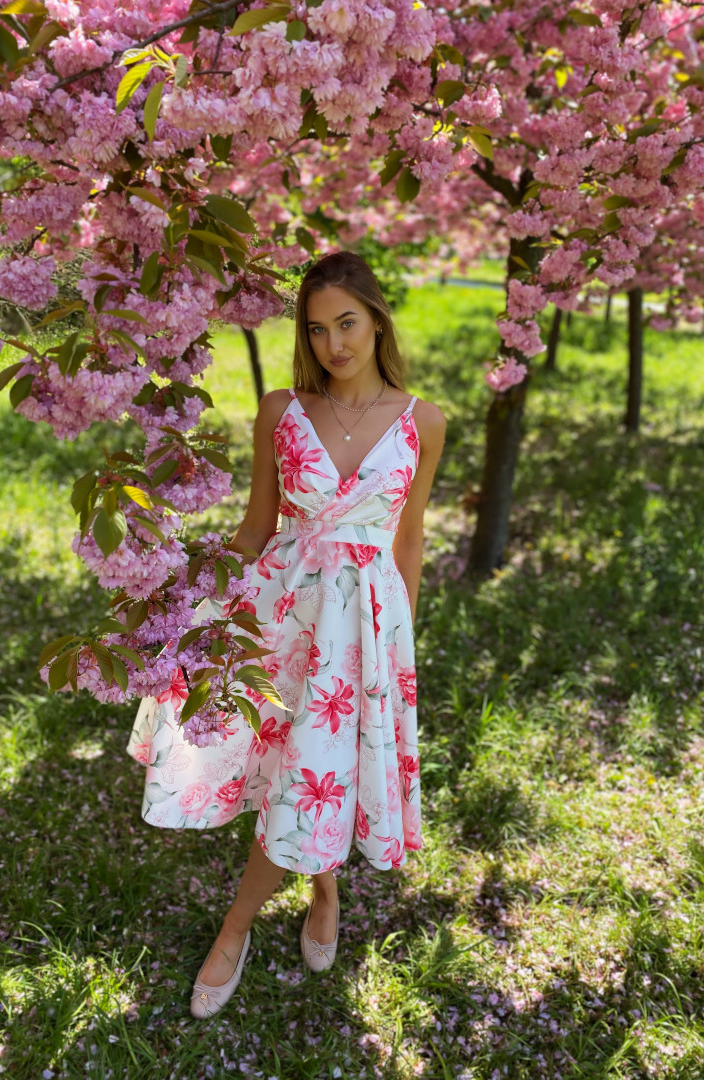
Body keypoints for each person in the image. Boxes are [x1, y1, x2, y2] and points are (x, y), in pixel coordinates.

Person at [126, 251, 446, 1018]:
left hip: (362, 631)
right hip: (282, 613)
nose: (337, 343)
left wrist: (398, 645)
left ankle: (238, 929)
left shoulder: (422, 421)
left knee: (313, 765)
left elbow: (409, 540)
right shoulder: (281, 410)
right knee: (291, 769)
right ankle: (319, 890)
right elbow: (256, 529)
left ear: (376, 319)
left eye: (349, 323)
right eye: (319, 329)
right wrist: (192, 602)